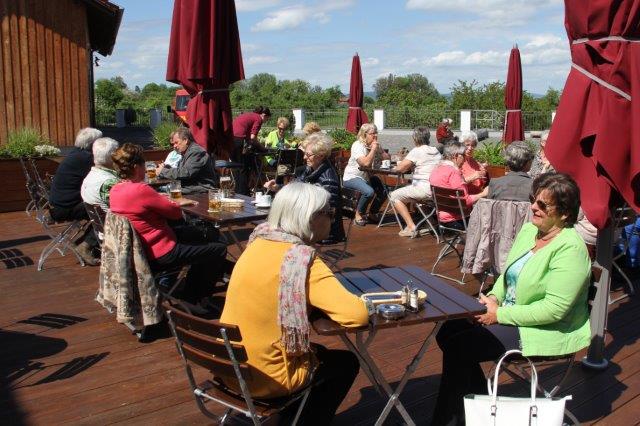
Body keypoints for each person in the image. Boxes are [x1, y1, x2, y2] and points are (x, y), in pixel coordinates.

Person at [430, 172, 591, 426]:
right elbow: (507, 275)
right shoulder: (530, 231)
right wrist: (492, 298)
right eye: (533, 200)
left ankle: (447, 421)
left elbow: (554, 310)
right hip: (511, 314)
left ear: (564, 213)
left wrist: (499, 314)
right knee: (448, 330)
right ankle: (477, 409)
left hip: (546, 328)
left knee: (461, 348)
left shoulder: (571, 249)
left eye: (543, 205)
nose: (534, 207)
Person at [220, 182, 369, 424]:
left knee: (320, 355)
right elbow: (356, 315)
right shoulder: (302, 260)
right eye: (330, 213)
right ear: (311, 218)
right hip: (269, 379)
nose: (333, 220)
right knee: (345, 363)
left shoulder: (257, 240)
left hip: (229, 366)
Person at [110, 143, 231, 306]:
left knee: (204, 233)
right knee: (218, 248)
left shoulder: (116, 190)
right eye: (144, 164)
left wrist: (162, 202)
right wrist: (174, 203)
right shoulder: (141, 189)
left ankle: (199, 285)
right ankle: (194, 298)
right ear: (137, 167)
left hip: (141, 249)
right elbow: (175, 214)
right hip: (161, 251)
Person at [264, 133, 345, 243]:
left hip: (324, 231)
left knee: (280, 228)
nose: (304, 157)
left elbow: (328, 214)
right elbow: (297, 187)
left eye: (308, 154)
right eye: (305, 153)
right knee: (278, 226)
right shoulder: (310, 170)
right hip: (310, 223)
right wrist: (278, 187)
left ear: (321, 155)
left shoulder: (328, 180)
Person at [49, 127, 103, 265]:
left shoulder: (75, 154)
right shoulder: (86, 158)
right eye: (100, 142)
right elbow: (102, 174)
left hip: (58, 205)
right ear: (93, 144)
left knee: (101, 208)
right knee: (106, 211)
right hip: (66, 208)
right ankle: (85, 245)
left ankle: (82, 242)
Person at [389, 127, 442, 237]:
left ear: (415, 139)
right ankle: (431, 223)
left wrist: (397, 167)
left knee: (394, 196)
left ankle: (411, 227)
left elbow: (400, 168)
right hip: (437, 190)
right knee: (418, 198)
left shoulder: (417, 151)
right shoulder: (435, 150)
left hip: (423, 189)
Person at [429, 141, 487, 227]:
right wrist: (483, 194)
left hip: (441, 218)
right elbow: (465, 201)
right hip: (458, 219)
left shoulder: (436, 169)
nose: (465, 159)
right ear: (456, 156)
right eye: (463, 155)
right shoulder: (453, 172)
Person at [342, 123, 390, 226]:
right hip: (352, 177)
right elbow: (365, 163)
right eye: (372, 133)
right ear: (365, 134)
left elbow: (387, 159)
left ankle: (372, 213)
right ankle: (358, 213)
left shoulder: (375, 144)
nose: (375, 135)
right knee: (369, 192)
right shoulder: (357, 145)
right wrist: (373, 150)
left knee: (385, 190)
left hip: (367, 177)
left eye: (376, 133)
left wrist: (380, 150)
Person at [157, 127, 218, 194]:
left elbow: (185, 173)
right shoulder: (186, 152)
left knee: (162, 191)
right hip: (192, 188)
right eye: (173, 144)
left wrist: (163, 171)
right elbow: (183, 171)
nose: (174, 146)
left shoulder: (196, 152)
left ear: (185, 140)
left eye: (176, 142)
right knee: (161, 190)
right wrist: (167, 168)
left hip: (202, 191)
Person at [232, 106, 272, 194]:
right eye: (267, 119)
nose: (265, 121)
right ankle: (243, 194)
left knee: (237, 167)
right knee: (244, 168)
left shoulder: (249, 115)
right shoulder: (258, 118)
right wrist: (263, 148)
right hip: (239, 141)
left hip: (230, 140)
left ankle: (237, 192)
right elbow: (253, 137)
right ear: (264, 115)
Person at [81, 137, 120, 212]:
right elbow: (127, 206)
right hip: (112, 218)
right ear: (113, 157)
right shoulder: (110, 182)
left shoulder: (91, 175)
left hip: (99, 217)